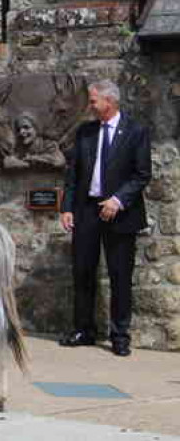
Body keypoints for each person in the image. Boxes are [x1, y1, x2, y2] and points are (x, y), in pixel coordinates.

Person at [59, 79, 150, 357]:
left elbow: (142, 174)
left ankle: (120, 335)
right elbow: (73, 174)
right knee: (83, 271)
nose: (90, 105)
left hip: (120, 213)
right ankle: (84, 330)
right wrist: (67, 208)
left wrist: (118, 199)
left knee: (120, 275)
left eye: (94, 100)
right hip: (87, 210)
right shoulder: (85, 132)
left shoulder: (136, 131)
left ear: (109, 102)